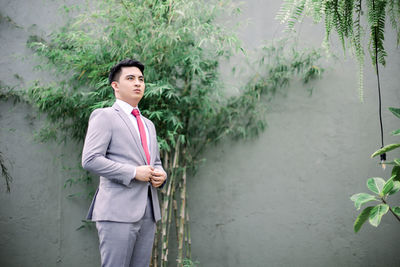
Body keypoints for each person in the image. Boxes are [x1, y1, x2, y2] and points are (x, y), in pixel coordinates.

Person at [82, 59, 167, 267]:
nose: (138, 83)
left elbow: (155, 161)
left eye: (141, 79)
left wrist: (161, 175)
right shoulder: (105, 116)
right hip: (116, 211)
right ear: (115, 86)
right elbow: (90, 159)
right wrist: (132, 172)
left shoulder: (149, 124)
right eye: (130, 78)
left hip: (148, 210)